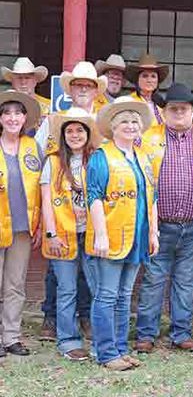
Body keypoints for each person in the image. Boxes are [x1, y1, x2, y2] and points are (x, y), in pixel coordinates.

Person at [134, 83, 193, 354]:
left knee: (185, 280)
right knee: (154, 278)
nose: (178, 112)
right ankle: (146, 333)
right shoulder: (146, 138)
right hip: (160, 224)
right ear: (164, 111)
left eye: (184, 108)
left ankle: (181, 333)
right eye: (173, 108)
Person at [35, 60, 106, 342]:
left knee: (92, 278)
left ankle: (87, 319)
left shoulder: (103, 122)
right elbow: (38, 163)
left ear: (95, 90)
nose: (83, 90)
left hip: (90, 220)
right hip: (60, 217)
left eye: (88, 85)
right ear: (71, 89)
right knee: (60, 276)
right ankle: (55, 322)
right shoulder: (54, 121)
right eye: (78, 85)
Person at [86, 96, 158, 371]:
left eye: (134, 122)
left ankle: (120, 348)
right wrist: (101, 235)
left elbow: (151, 197)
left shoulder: (143, 156)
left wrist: (154, 232)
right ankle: (105, 352)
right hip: (113, 235)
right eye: (124, 122)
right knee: (106, 294)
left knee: (124, 295)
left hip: (137, 236)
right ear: (113, 127)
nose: (130, 126)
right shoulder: (102, 157)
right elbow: (94, 197)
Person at [40, 107, 102, 361]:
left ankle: (102, 338)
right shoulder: (53, 161)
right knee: (66, 289)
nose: (75, 135)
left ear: (88, 133)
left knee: (97, 287)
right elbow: (46, 200)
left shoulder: (97, 159)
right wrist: (51, 233)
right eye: (70, 131)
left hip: (90, 234)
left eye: (79, 130)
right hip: (63, 234)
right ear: (63, 135)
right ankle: (68, 341)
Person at [0, 90, 42, 357]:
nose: (13, 118)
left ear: (25, 118)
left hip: (23, 227)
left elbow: (43, 188)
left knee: (15, 284)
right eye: (7, 113)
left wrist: (40, 226)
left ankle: (11, 337)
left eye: (18, 113)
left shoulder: (33, 147)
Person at [126, 53, 169, 128]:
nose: (149, 80)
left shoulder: (162, 104)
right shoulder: (128, 101)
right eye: (145, 76)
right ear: (137, 79)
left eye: (153, 76)